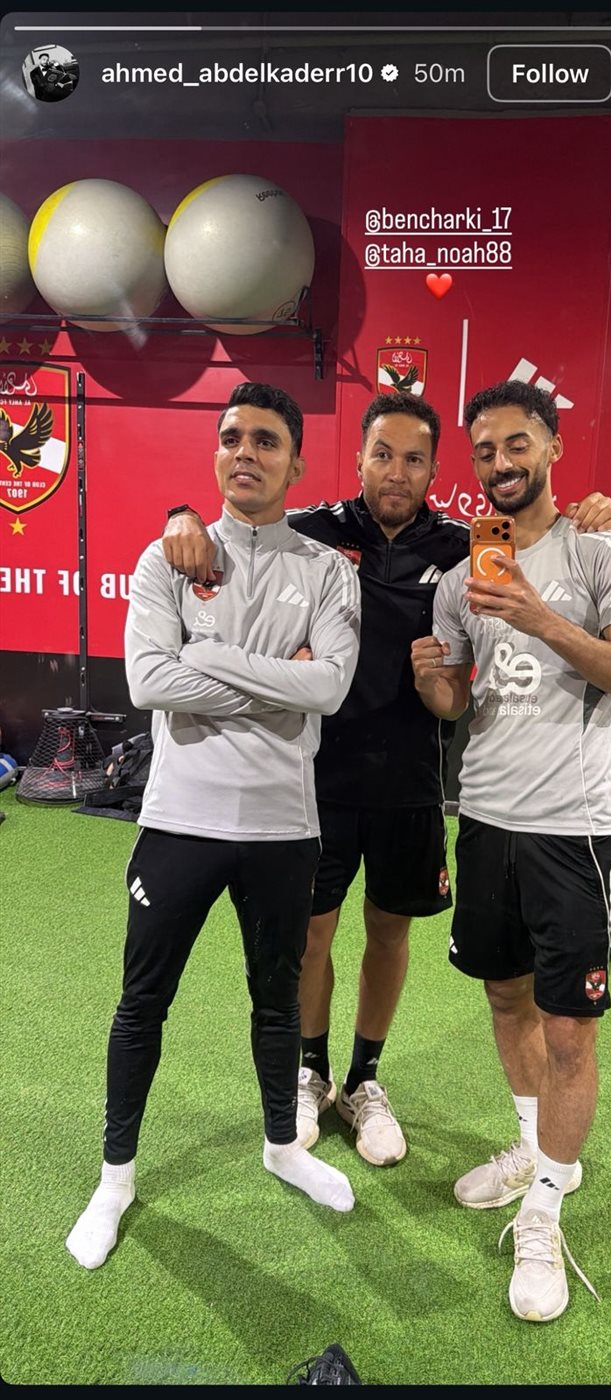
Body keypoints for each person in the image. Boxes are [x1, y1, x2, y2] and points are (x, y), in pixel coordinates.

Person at [162, 391, 611, 1169]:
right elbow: (235, 526)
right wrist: (181, 515)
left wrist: (592, 515)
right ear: (359, 458)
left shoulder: (473, 546)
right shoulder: (312, 530)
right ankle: (311, 1071)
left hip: (412, 782)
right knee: (312, 933)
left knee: (389, 931)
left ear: (436, 470)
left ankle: (364, 1079)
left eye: (413, 459)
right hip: (315, 778)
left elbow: (546, 541)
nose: (396, 472)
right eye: (383, 454)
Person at [66, 383, 361, 1271]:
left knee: (277, 1004)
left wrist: (213, 658)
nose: (245, 452)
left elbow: (330, 688)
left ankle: (281, 1147)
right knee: (141, 1004)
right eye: (232, 437)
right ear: (216, 453)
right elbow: (149, 682)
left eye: (265, 440)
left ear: (296, 462)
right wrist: (277, 681)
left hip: (284, 828)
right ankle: (115, 1178)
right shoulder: (169, 558)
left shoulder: (327, 570)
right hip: (179, 822)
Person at [411, 379, 611, 1322]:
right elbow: (460, 703)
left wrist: (538, 616)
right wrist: (434, 682)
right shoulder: (460, 577)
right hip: (485, 821)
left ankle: (547, 1213)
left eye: (517, 444)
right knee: (505, 997)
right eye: (485, 450)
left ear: (551, 446)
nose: (501, 463)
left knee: (568, 1030)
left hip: (572, 830)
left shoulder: (605, 551)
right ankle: (535, 1151)